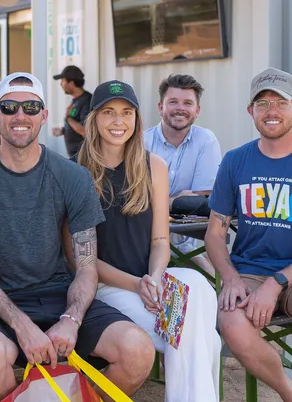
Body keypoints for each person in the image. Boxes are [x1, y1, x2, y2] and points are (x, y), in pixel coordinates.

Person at [0, 73, 155, 402]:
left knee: (138, 352)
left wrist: (71, 319)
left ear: (44, 116)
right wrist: (22, 325)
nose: (20, 115)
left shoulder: (72, 176)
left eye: (31, 107)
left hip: (61, 297)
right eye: (9, 107)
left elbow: (86, 267)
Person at [205, 68, 292, 402]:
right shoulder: (235, 161)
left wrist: (276, 284)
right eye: (262, 103)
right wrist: (230, 277)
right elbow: (215, 232)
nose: (271, 112)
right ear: (250, 112)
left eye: (280, 103)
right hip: (248, 272)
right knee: (230, 320)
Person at [77, 80, 221, 402]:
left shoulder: (154, 166)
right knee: (203, 338)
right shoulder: (76, 173)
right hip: (106, 287)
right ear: (95, 119)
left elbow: (159, 239)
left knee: (198, 285)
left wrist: (154, 278)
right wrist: (136, 284)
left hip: (151, 282)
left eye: (126, 112)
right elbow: (78, 259)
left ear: (137, 119)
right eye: (109, 113)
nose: (118, 121)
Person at [144, 74, 221, 275]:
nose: (180, 108)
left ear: (197, 110)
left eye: (188, 103)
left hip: (187, 245)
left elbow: (205, 197)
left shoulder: (206, 140)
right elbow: (136, 200)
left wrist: (162, 202)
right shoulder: (141, 143)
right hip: (143, 241)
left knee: (213, 286)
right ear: (160, 107)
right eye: (173, 102)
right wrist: (178, 201)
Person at [51, 65, 92, 157]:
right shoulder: (76, 100)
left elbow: (85, 131)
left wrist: (68, 119)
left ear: (71, 83)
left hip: (84, 158)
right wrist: (63, 131)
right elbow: (76, 125)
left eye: (63, 81)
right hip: (75, 157)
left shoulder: (87, 101)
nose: (61, 84)